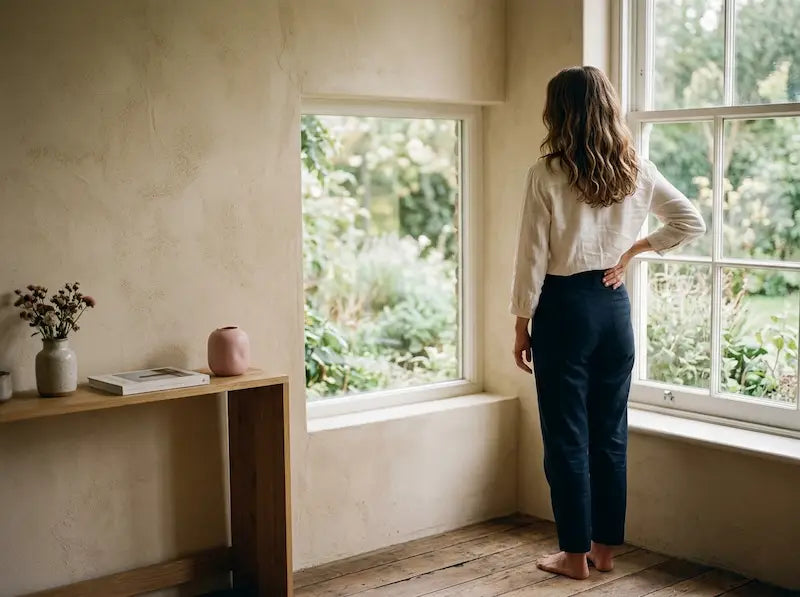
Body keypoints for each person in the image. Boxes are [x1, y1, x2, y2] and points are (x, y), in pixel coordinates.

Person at [510, 66, 705, 580]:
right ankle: (604, 553)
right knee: (610, 435)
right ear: (609, 108)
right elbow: (689, 221)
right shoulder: (636, 168)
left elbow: (530, 257)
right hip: (613, 309)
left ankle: (572, 558)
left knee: (566, 437)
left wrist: (520, 324)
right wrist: (632, 251)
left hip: (563, 310)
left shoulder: (546, 173)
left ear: (559, 111)